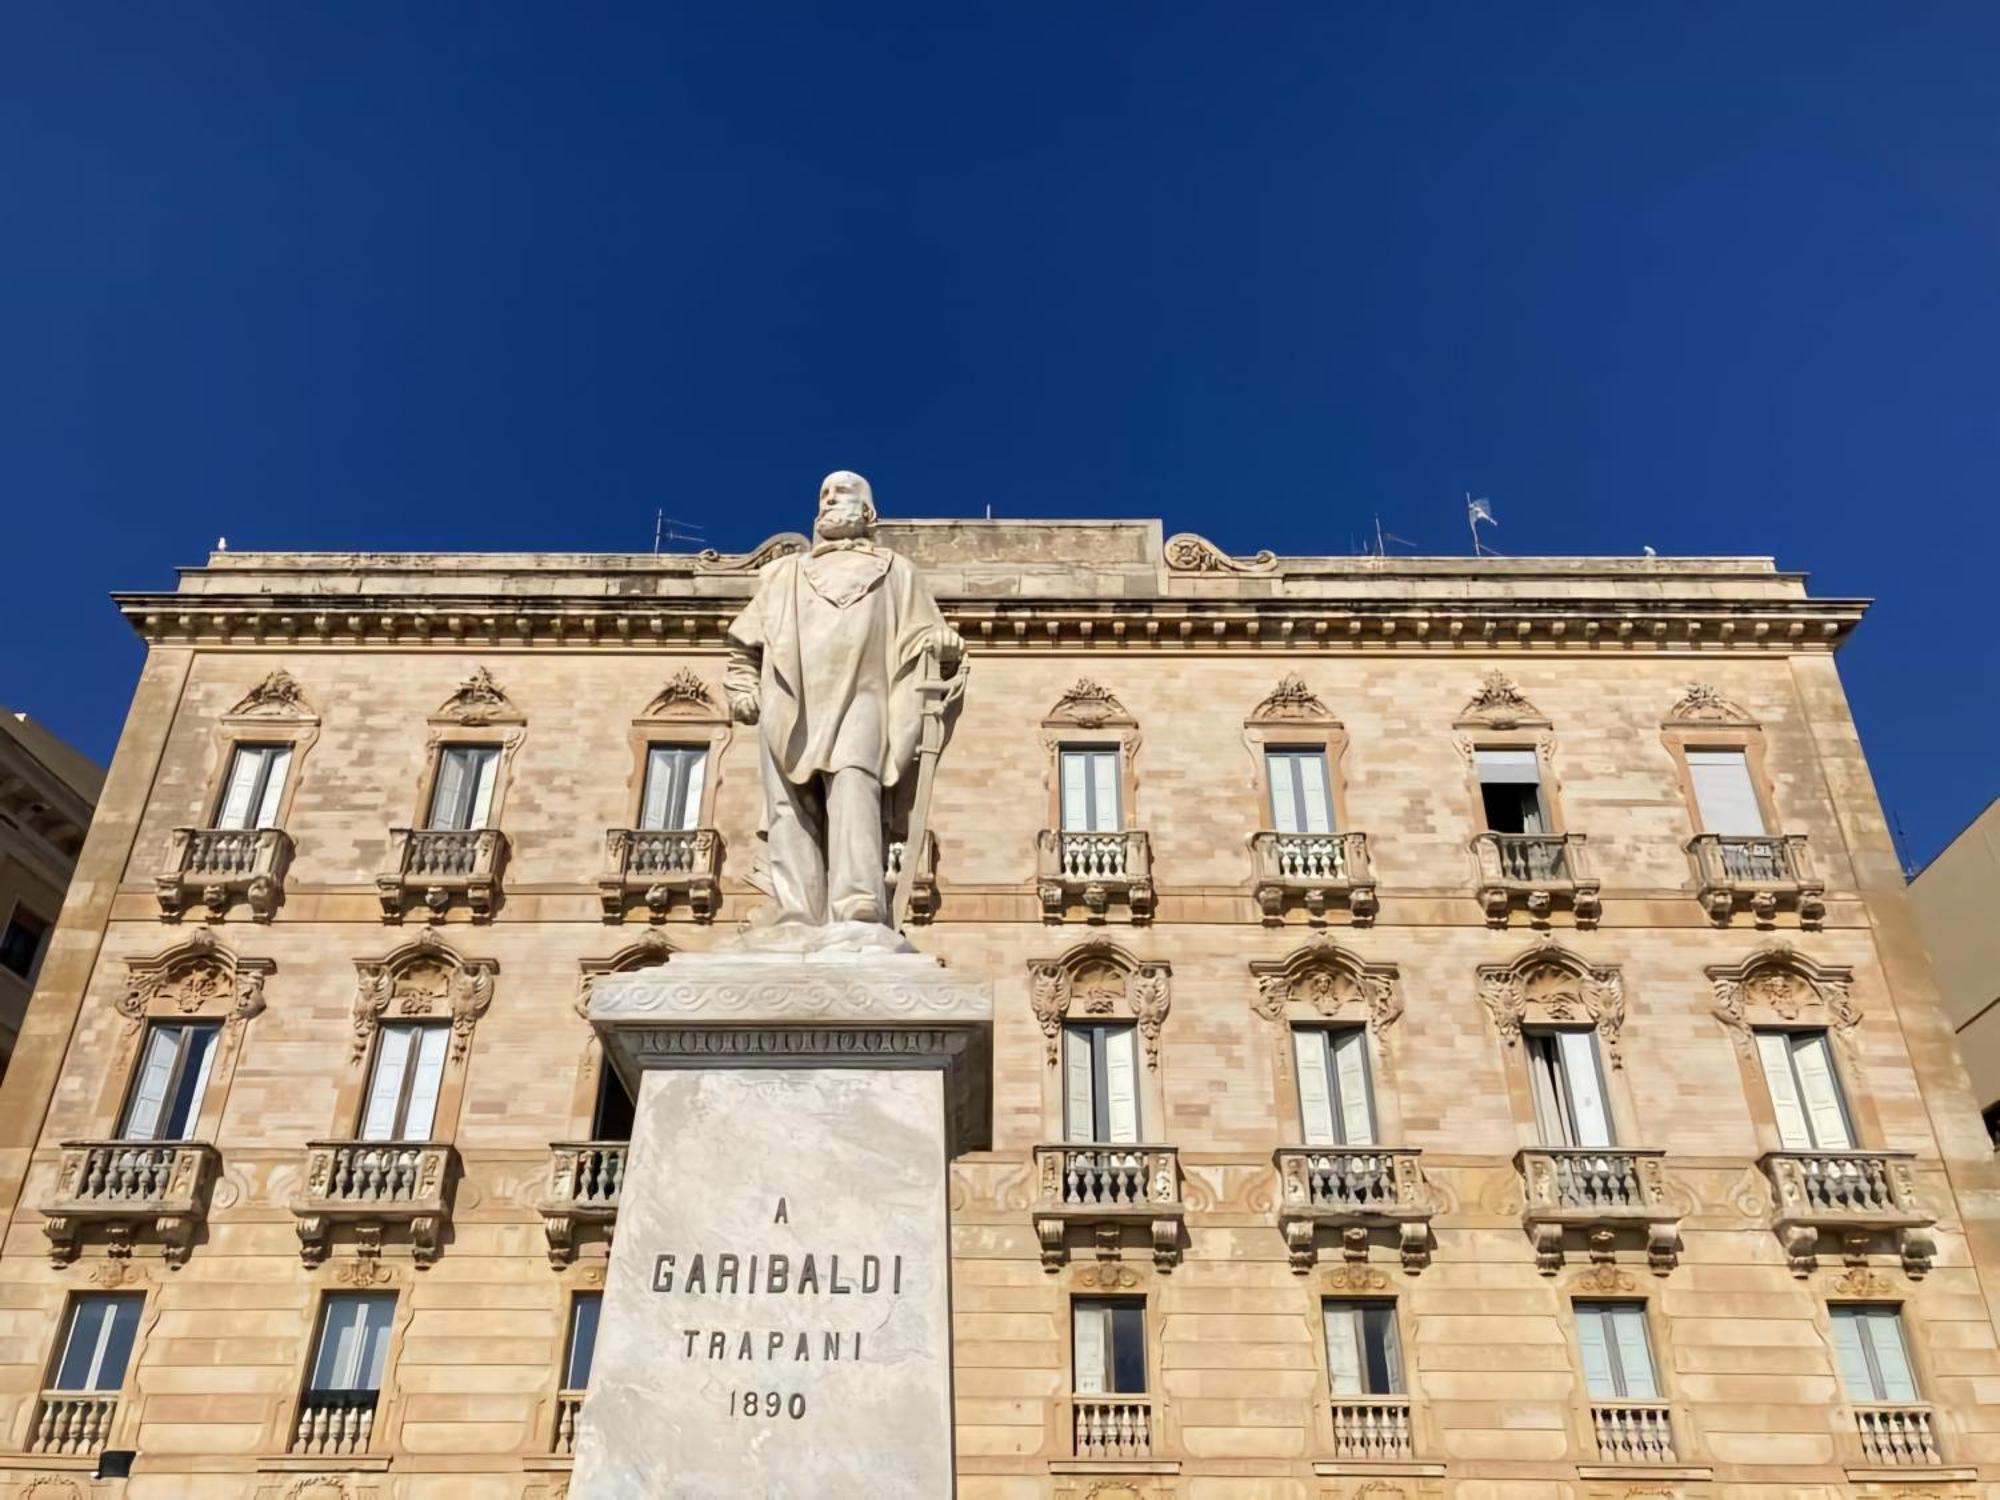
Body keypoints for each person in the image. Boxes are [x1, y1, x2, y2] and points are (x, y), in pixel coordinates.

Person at [724, 471, 963, 935]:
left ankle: (858, 908)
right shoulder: (784, 574)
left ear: (868, 513)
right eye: (824, 495)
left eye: (843, 494)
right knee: (789, 808)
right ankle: (797, 913)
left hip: (864, 698)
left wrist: (942, 644)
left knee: (855, 787)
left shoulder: (898, 572)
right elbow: (742, 646)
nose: (830, 500)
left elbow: (925, 638)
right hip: (790, 701)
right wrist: (742, 688)